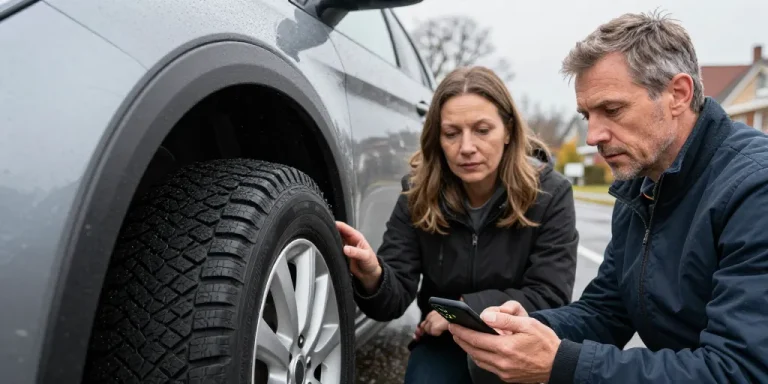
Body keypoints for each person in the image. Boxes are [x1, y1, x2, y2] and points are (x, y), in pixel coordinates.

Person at [449, 10, 768, 384]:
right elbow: (607, 312)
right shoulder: (642, 185)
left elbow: (739, 371)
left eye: (612, 110)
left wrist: (560, 363)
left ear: (678, 94)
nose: (593, 136)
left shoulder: (754, 189)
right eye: (587, 115)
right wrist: (530, 328)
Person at [335, 66, 579, 383]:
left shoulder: (551, 193)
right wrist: (373, 275)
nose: (466, 147)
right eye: (452, 133)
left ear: (507, 130)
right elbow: (391, 302)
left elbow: (550, 295)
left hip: (514, 338)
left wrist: (462, 310)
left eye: (482, 130)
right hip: (442, 343)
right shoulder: (417, 194)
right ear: (438, 138)